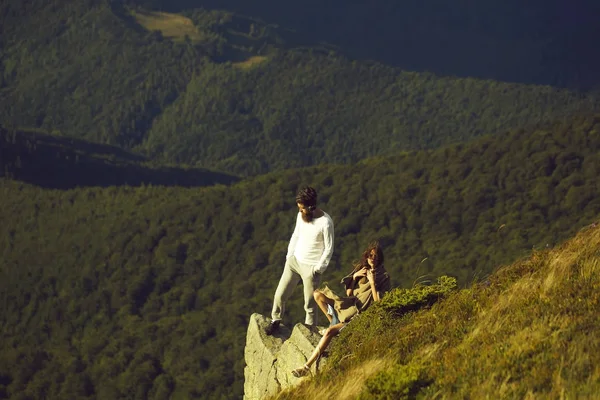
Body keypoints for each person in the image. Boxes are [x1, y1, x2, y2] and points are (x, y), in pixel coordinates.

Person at [291, 240, 391, 377]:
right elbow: (349, 293)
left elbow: (379, 303)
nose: (372, 259)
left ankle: (306, 367)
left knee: (330, 332)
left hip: (358, 314)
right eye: (370, 255)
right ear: (366, 256)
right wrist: (355, 277)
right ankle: (333, 321)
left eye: (375, 256)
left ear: (380, 259)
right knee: (317, 295)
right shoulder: (362, 269)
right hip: (349, 305)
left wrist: (372, 283)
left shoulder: (383, 276)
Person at [265, 186, 335, 335]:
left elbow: (329, 249)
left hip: (311, 268)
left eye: (302, 208)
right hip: (294, 262)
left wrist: (318, 269)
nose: (300, 211)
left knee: (309, 304)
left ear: (311, 207)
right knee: (280, 295)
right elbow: (296, 235)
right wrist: (289, 256)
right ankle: (275, 320)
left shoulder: (325, 223)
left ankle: (309, 331)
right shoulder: (300, 216)